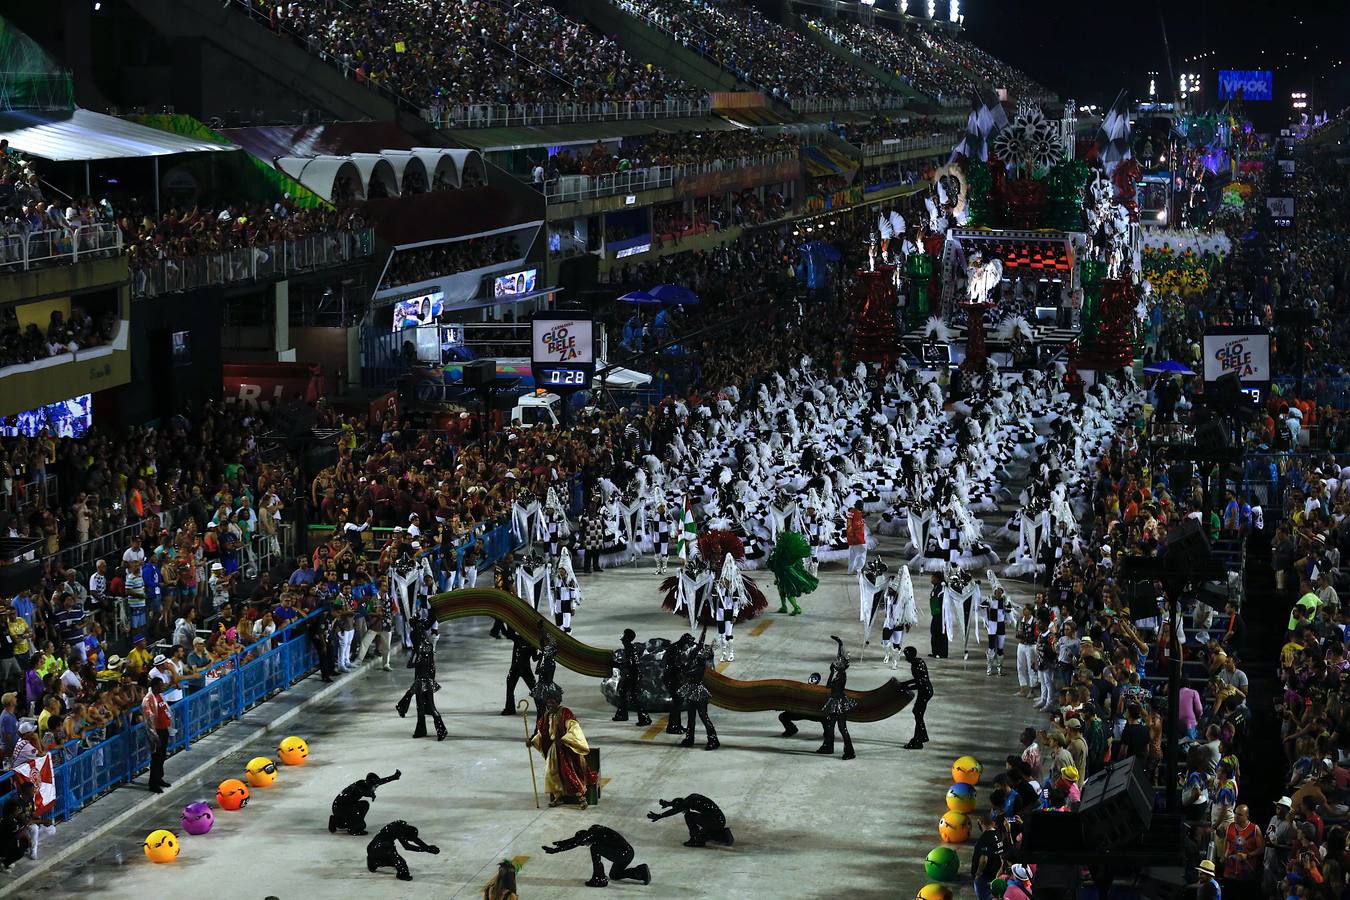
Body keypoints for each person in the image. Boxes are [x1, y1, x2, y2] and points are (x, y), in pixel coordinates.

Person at [527, 683, 591, 808]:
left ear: (557, 702)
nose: (549, 705)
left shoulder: (565, 712)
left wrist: (566, 739)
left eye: (552, 703)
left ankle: (581, 798)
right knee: (551, 773)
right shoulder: (546, 715)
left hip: (565, 749)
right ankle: (557, 797)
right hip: (552, 750)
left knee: (569, 772)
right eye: (548, 703)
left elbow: (574, 727)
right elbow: (542, 733)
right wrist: (533, 741)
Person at [542, 825, 651, 888]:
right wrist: (562, 843)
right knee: (614, 875)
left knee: (595, 848)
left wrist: (557, 850)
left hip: (622, 854)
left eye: (585, 843)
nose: (586, 845)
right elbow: (577, 841)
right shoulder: (594, 831)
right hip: (627, 853)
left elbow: (577, 842)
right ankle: (640, 872)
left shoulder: (593, 834)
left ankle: (599, 878)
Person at [395, 615, 446, 741]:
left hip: (422, 680)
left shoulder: (420, 650)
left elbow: (410, 664)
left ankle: (441, 730)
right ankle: (419, 726)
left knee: (428, 706)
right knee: (421, 704)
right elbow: (432, 667)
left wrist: (414, 657)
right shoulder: (428, 646)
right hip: (425, 678)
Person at [817, 635, 857, 760]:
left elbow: (828, 686)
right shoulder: (840, 672)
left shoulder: (840, 676)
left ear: (842, 666)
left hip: (838, 703)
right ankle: (828, 747)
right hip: (835, 701)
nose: (836, 662)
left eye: (838, 663)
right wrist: (839, 642)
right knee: (830, 726)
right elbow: (840, 655)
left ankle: (850, 751)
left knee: (842, 728)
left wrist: (830, 672)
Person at [676, 631, 718, 750]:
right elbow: (699, 646)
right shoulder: (694, 660)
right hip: (691, 691)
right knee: (691, 716)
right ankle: (689, 738)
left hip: (699, 693)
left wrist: (682, 668)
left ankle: (713, 739)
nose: (699, 653)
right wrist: (703, 631)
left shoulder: (700, 668)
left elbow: (686, 673)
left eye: (702, 654)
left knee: (703, 716)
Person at [329, 769, 401, 836]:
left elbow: (378, 782)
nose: (376, 788)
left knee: (363, 806)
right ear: (370, 784)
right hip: (340, 808)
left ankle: (336, 821)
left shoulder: (363, 783)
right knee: (361, 824)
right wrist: (371, 794)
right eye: (375, 786)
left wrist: (394, 777)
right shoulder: (360, 787)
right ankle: (353, 829)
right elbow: (361, 790)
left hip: (341, 807)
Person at [647, 794, 734, 847]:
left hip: (715, 821)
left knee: (689, 816)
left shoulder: (688, 802)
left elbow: (675, 810)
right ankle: (723, 835)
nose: (682, 811)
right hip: (720, 820)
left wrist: (659, 816)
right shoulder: (691, 799)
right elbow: (679, 805)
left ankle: (696, 840)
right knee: (703, 833)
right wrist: (668, 804)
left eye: (682, 809)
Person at [365, 820, 439, 881]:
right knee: (401, 863)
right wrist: (427, 849)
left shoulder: (402, 826)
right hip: (379, 847)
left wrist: (428, 848)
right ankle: (402, 875)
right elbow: (407, 846)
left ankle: (373, 861)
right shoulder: (398, 830)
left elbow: (414, 839)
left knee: (392, 857)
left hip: (374, 847)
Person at [612, 628, 652, 727]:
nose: (621, 637)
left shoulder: (630, 649)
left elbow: (630, 664)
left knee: (634, 696)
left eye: (623, 635)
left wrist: (617, 665)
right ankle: (622, 714)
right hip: (632, 674)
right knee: (623, 691)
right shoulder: (629, 647)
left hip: (633, 675)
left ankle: (644, 717)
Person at [141, 676, 172, 793]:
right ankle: (153, 784)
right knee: (156, 758)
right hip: (156, 732)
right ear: (154, 686)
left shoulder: (160, 695)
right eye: (160, 685)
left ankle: (159, 778)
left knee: (162, 756)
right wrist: (154, 736)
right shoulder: (148, 700)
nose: (162, 687)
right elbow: (149, 720)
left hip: (164, 729)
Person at [901, 645, 932, 749]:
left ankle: (918, 740)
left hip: (924, 691)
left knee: (918, 713)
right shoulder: (919, 661)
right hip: (927, 690)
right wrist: (905, 683)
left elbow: (919, 683)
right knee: (917, 713)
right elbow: (919, 679)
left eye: (906, 655)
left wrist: (908, 688)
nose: (905, 657)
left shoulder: (915, 665)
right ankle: (921, 736)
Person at [661, 633, 692, 735]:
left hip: (674, 678)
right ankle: (672, 726)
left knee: (678, 703)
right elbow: (676, 665)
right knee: (677, 703)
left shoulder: (678, 647)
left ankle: (677, 725)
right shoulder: (676, 649)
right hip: (672, 679)